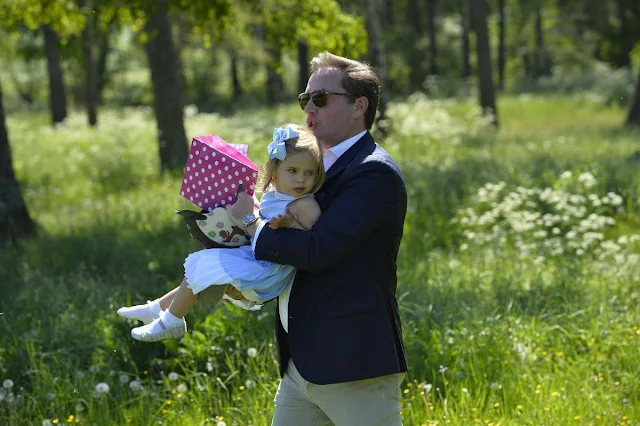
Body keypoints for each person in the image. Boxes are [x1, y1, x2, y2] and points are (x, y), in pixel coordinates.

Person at [227, 52, 408, 425]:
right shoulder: (314, 167)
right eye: (305, 98)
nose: (310, 107)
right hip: (303, 365)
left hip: (354, 365)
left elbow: (318, 250)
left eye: (321, 98)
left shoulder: (373, 173)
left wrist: (250, 222)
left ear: (359, 106)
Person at [117, 124, 325, 342]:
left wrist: (291, 223)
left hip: (269, 269)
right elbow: (259, 216)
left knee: (207, 264)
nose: (301, 179)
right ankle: (157, 309)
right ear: (274, 173)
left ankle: (172, 321)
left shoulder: (305, 205)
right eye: (293, 171)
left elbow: (310, 246)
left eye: (309, 173)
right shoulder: (275, 195)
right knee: (201, 269)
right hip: (257, 256)